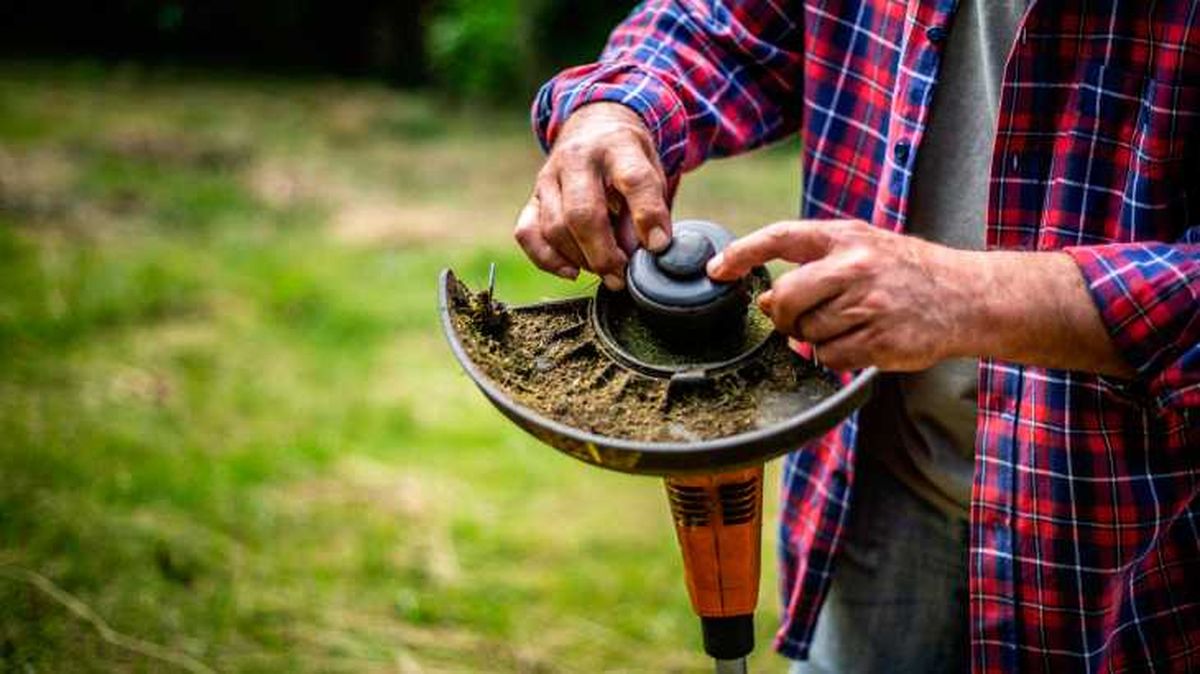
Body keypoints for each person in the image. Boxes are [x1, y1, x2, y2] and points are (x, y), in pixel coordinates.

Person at [515, 1, 1199, 672]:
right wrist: (616, 110)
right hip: (883, 495)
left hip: (1128, 546)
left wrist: (970, 296)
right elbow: (727, 23)